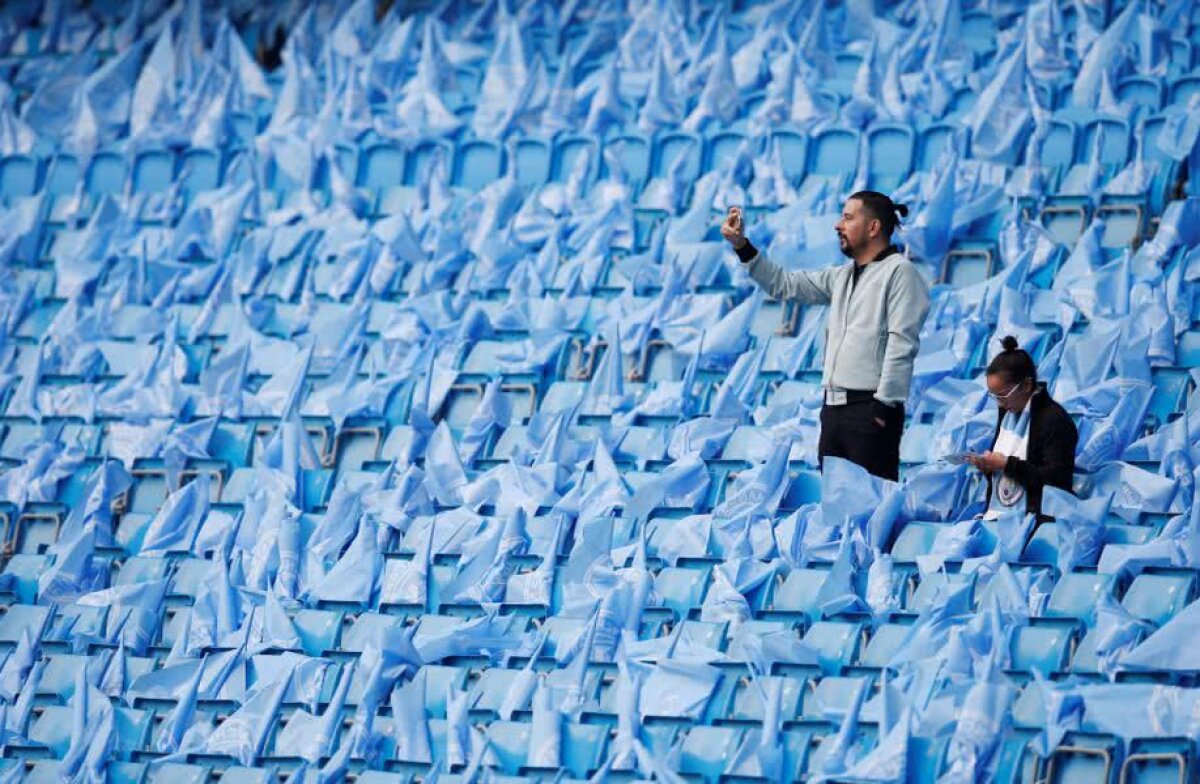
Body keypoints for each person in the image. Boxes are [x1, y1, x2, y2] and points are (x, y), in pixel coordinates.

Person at [720, 191, 930, 481]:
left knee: (867, 507)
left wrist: (883, 406)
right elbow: (785, 285)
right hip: (833, 411)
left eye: (847, 217)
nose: (837, 225)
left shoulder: (901, 273)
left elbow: (901, 343)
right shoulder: (842, 276)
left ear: (873, 228)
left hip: (870, 409)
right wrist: (742, 246)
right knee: (834, 509)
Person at [968, 336, 1078, 521]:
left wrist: (1006, 465)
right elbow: (1004, 477)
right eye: (994, 397)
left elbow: (1056, 481)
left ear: (1026, 385)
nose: (1000, 404)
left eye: (1003, 396)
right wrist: (989, 468)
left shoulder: (1055, 420)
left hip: (1039, 522)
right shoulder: (1008, 413)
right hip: (1000, 516)